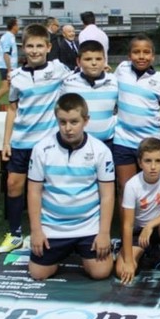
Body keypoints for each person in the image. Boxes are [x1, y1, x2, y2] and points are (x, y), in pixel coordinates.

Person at [0, 24, 72, 254]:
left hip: (47, 143)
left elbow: (81, 76)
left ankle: (47, 229)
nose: (35, 50)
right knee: (13, 185)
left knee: (46, 189)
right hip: (21, 141)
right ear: (23, 48)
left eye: (40, 46)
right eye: (30, 46)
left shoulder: (59, 69)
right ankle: (15, 233)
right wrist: (6, 141)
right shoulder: (17, 76)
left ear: (49, 47)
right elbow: (12, 109)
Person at [27, 93, 115, 281]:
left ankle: (83, 250)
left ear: (86, 120)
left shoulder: (101, 150)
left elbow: (107, 195)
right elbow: (34, 192)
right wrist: (36, 231)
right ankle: (61, 252)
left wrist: (104, 233)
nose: (68, 128)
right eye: (62, 122)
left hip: (88, 226)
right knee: (38, 274)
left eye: (74, 122)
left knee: (101, 272)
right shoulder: (41, 149)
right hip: (53, 226)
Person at [116, 138, 160, 284]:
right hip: (138, 231)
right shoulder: (132, 185)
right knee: (122, 271)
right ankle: (145, 253)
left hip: (159, 228)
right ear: (140, 163)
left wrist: (150, 225)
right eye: (148, 161)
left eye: (158, 161)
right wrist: (129, 261)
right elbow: (127, 225)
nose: (153, 166)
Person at [113, 34, 160, 193]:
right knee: (125, 187)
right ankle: (127, 219)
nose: (141, 56)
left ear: (153, 56)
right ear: (129, 55)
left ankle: (151, 218)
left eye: (146, 52)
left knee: (150, 188)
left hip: (150, 142)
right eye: (136, 52)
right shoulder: (122, 69)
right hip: (123, 140)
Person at [61, 40, 117, 145]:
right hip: (78, 144)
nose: (94, 63)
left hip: (108, 143)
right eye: (88, 59)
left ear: (105, 60)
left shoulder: (114, 81)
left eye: (99, 59)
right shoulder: (68, 83)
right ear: (78, 61)